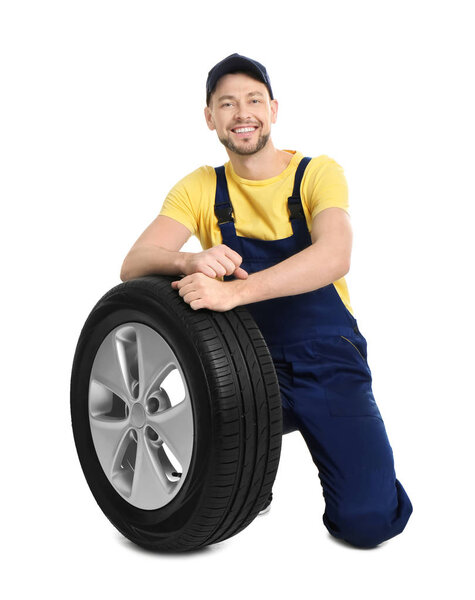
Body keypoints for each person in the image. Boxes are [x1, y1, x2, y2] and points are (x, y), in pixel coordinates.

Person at [120, 53, 413, 548]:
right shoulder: (201, 186)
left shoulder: (316, 173)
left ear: (274, 110)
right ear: (209, 117)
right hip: (244, 367)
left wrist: (236, 291)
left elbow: (335, 255)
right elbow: (135, 264)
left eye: (254, 100)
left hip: (326, 358)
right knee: (230, 498)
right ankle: (254, 479)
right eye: (227, 103)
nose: (242, 113)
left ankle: (356, 459)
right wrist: (190, 261)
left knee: (368, 523)